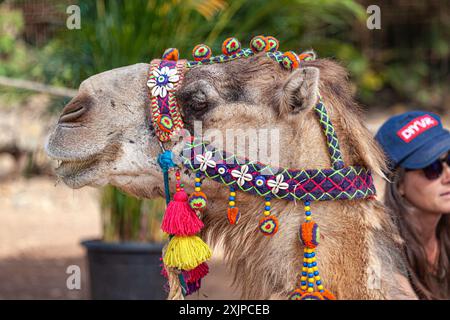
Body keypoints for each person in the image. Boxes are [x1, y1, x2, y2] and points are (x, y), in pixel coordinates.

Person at [375, 111, 450, 299]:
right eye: (432, 168)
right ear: (399, 184)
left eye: (449, 160)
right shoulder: (384, 253)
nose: (448, 176)